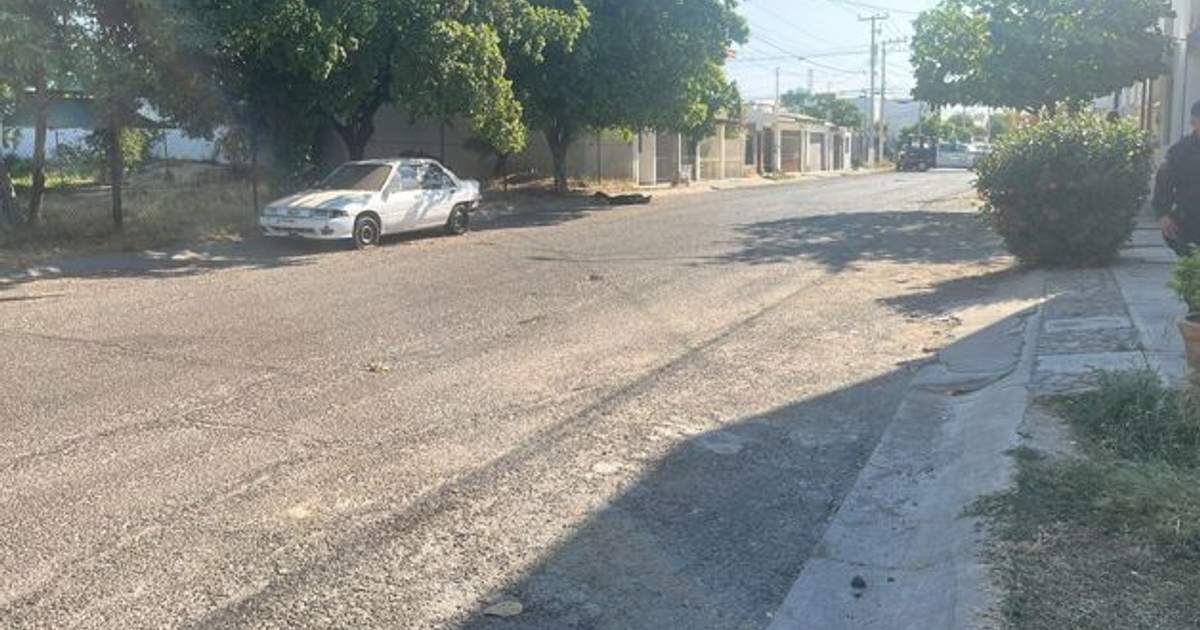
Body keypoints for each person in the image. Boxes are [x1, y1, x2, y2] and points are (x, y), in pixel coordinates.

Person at [1154, 100, 1200, 256]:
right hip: (1190, 222)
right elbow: (1163, 184)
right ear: (1193, 122)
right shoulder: (1180, 151)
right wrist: (1164, 214)